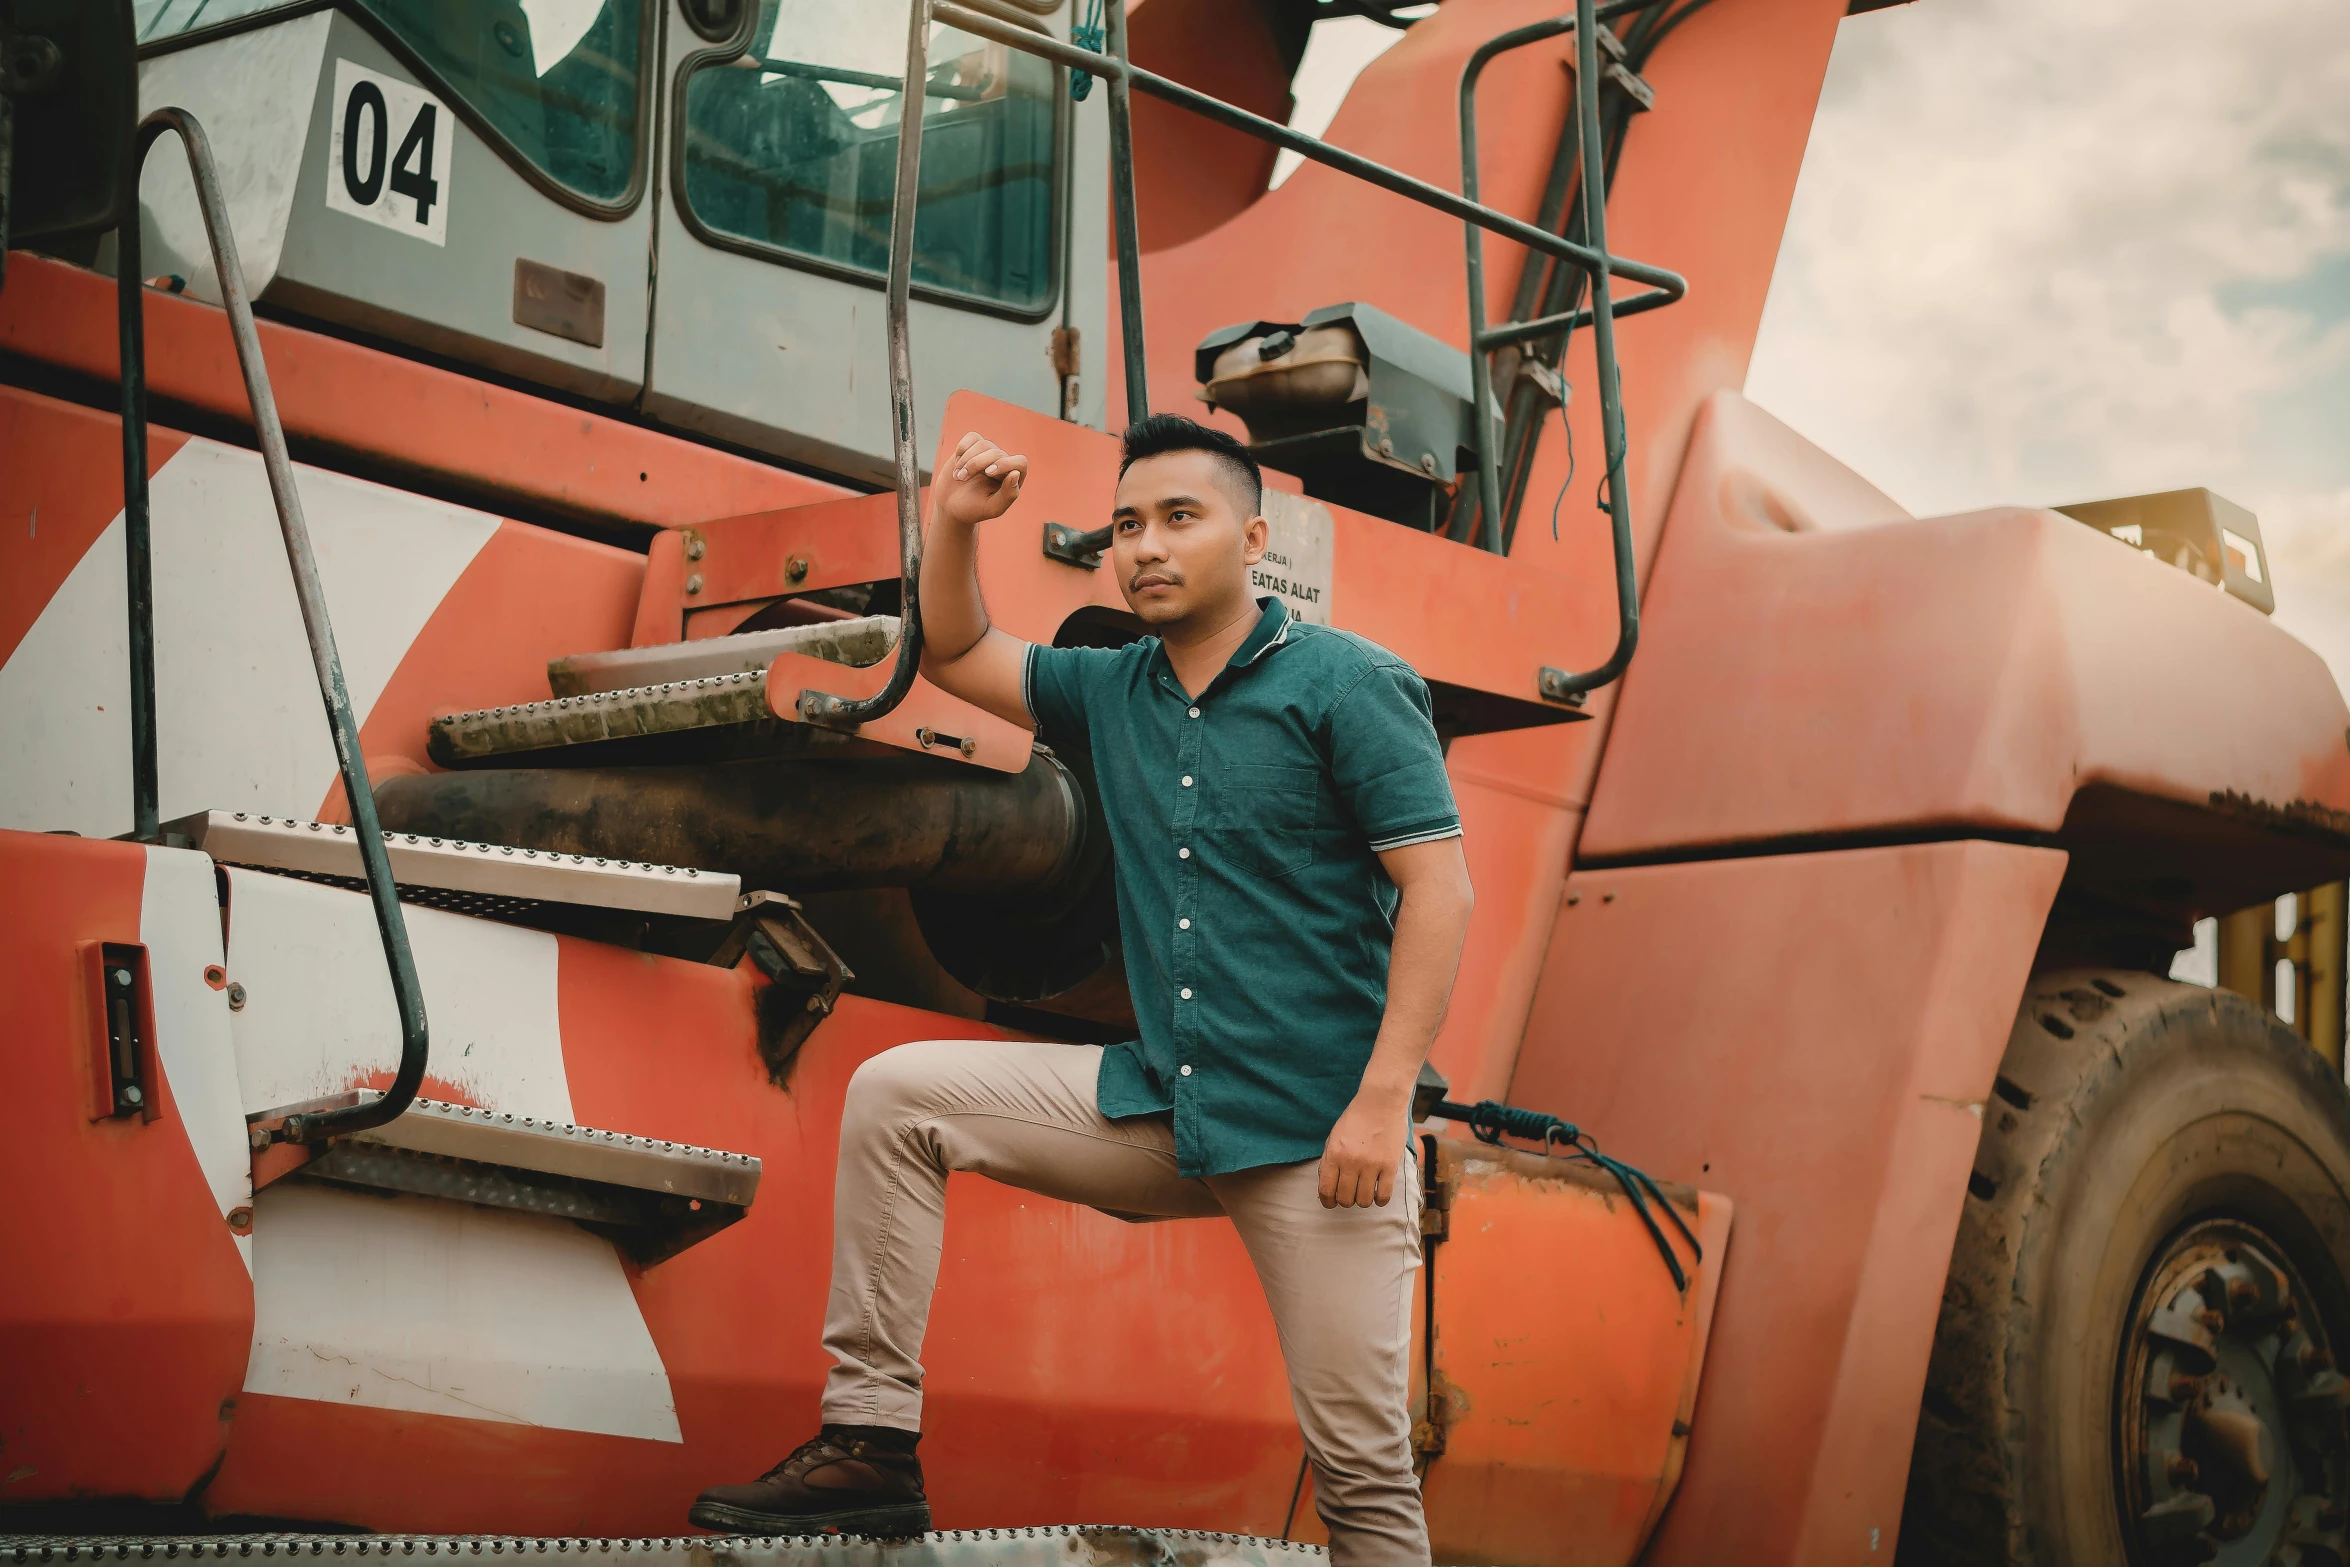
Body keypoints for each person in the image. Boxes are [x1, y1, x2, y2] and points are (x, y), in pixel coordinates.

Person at [688, 414, 1475, 1567]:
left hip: (1322, 1138)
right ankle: (870, 1444)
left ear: (1251, 536)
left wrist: (1381, 1097)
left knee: (1360, 1480)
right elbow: (957, 653)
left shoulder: (1348, 684)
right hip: (1165, 1107)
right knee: (897, 1093)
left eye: (1178, 518)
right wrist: (954, 520)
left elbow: (1440, 890)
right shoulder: (1115, 690)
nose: (1145, 547)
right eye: (1125, 525)